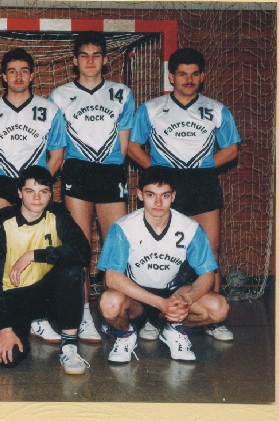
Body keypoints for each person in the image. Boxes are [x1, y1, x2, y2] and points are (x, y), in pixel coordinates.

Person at [127, 47, 240, 341]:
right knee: (161, 253)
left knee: (209, 254)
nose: (188, 80)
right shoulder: (151, 109)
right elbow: (133, 147)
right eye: (182, 74)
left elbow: (231, 150)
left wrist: (201, 169)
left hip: (203, 186)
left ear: (202, 77)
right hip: (166, 190)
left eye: (194, 74)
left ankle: (210, 320)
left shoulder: (216, 109)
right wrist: (160, 175)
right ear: (171, 77)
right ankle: (155, 317)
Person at [0, 47, 67, 344]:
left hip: (33, 186)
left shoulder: (49, 110)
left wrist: (39, 187)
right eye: (12, 71)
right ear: (3, 76)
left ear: (32, 75)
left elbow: (57, 154)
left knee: (36, 248)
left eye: (24, 71)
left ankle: (36, 316)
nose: (18, 76)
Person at [49, 31, 135, 344]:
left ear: (105, 60)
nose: (90, 61)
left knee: (117, 250)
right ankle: (83, 315)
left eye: (96, 55)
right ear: (74, 61)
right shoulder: (59, 95)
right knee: (80, 250)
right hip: (77, 172)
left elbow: (123, 145)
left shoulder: (121, 93)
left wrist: (111, 167)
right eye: (83, 55)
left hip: (110, 172)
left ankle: (117, 313)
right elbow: (56, 144)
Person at [97, 166, 229, 363]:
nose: (158, 203)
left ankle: (175, 329)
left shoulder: (190, 228)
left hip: (173, 295)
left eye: (165, 195)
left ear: (173, 196)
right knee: (109, 303)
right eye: (151, 195)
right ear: (140, 195)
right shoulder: (123, 228)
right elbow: (112, 278)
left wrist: (186, 299)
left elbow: (208, 275)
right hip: (136, 297)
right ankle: (125, 335)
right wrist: (158, 303)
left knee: (219, 308)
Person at [0, 166, 91, 374]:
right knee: (8, 358)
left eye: (43, 191)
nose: (37, 198)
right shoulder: (1, 221)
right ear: (19, 193)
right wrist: (4, 326)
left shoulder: (58, 214)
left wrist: (34, 255)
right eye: (30, 191)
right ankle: (21, 327)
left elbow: (83, 251)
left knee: (72, 270)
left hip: (47, 294)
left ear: (50, 194)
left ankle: (69, 347)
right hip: (12, 297)